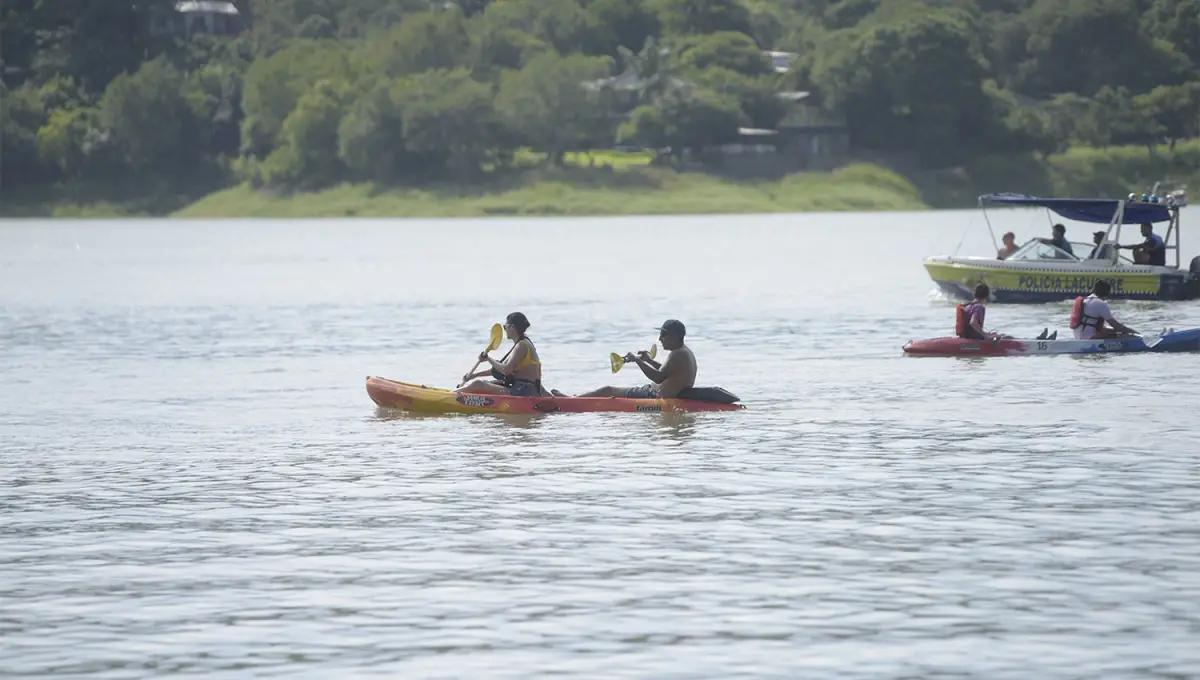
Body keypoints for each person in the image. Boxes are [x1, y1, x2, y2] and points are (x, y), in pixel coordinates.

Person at [572, 319, 696, 399]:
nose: (660, 339)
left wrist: (637, 360)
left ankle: (572, 400)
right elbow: (668, 372)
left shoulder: (678, 354)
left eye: (663, 335)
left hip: (653, 396)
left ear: (674, 337)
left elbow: (658, 378)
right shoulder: (684, 352)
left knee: (608, 389)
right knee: (609, 390)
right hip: (653, 392)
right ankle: (575, 397)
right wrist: (649, 360)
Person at [457, 312, 545, 396]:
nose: (505, 330)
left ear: (512, 327)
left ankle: (452, 396)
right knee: (480, 384)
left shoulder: (521, 345)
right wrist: (474, 375)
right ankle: (455, 393)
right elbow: (500, 370)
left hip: (524, 391)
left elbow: (506, 370)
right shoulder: (522, 343)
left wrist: (488, 359)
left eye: (505, 327)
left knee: (478, 384)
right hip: (520, 388)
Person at [1070, 280, 1139, 340]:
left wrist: (1114, 331)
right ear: (1107, 293)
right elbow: (1116, 325)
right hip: (1089, 338)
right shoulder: (1100, 303)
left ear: (1094, 290)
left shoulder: (1086, 300)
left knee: (1115, 331)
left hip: (1079, 337)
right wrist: (1132, 331)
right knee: (1129, 336)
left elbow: (1100, 326)